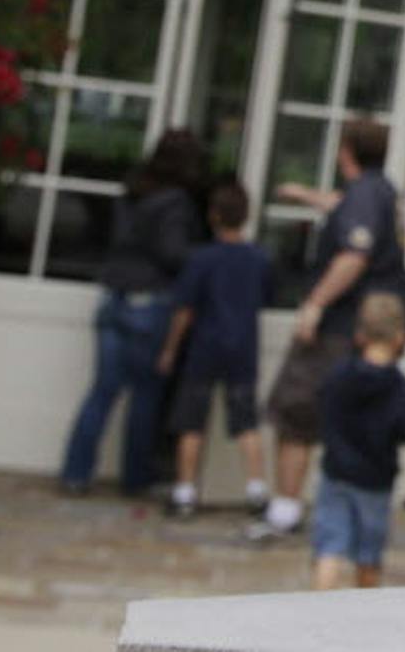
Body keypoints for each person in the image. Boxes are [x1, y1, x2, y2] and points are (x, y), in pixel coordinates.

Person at [249, 117, 405, 542]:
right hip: (367, 326)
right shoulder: (382, 191)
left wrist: (314, 305)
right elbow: (345, 208)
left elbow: (354, 255)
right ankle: (354, 516)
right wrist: (305, 195)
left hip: (340, 325)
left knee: (296, 410)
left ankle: (286, 510)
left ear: (346, 151)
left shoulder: (364, 195)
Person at [60, 128, 205, 496]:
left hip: (113, 294)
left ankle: (75, 473)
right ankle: (136, 479)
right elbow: (172, 253)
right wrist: (206, 257)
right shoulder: (175, 201)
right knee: (145, 395)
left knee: (103, 389)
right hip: (149, 300)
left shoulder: (133, 190)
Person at [156, 181, 274, 519]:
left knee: (191, 422)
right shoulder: (259, 259)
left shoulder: (202, 259)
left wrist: (170, 348)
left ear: (214, 216)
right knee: (246, 421)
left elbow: (185, 310)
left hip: (205, 347)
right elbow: (267, 298)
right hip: (242, 347)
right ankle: (256, 489)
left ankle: (185, 491)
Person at [311, 291, 405, 590]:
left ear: (360, 334)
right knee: (368, 554)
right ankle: (365, 607)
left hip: (336, 472)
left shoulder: (339, 375)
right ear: (400, 338)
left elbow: (322, 407)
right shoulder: (401, 388)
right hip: (375, 481)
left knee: (329, 547)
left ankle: (318, 603)